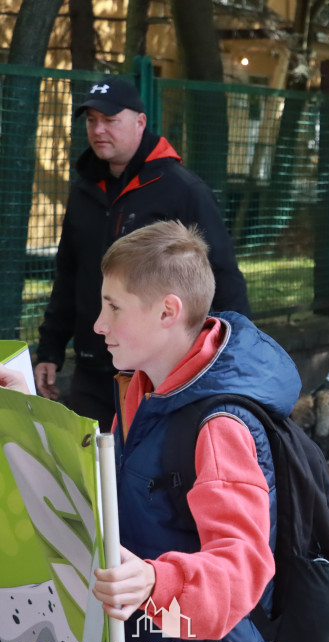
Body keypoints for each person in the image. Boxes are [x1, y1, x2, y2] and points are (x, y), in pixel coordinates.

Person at [88, 219, 299, 642]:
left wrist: (155, 582)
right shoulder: (143, 386)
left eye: (114, 307)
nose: (99, 324)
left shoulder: (220, 427)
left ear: (168, 311)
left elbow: (241, 565)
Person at [35, 75, 249, 432]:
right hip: (92, 369)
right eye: (91, 121)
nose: (99, 130)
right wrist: (50, 351)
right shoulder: (83, 192)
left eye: (109, 119)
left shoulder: (182, 190)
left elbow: (222, 278)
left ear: (140, 122)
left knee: (146, 482)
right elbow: (70, 276)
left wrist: (235, 362)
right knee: (92, 480)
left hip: (157, 376)